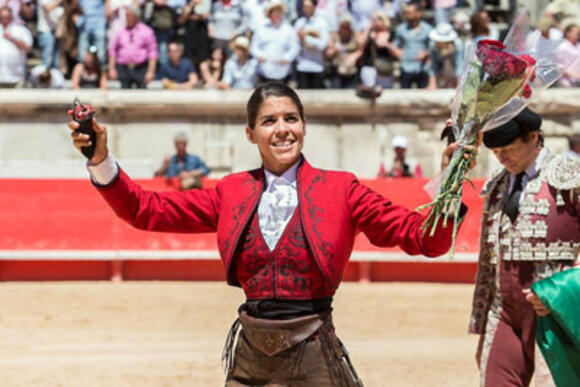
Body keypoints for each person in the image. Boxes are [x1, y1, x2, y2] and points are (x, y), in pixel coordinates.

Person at [67, 82, 478, 385]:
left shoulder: (342, 188)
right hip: (251, 363)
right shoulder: (231, 191)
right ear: (251, 134)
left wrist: (451, 180)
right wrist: (101, 160)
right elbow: (144, 210)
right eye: (269, 121)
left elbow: (424, 239)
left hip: (315, 353)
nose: (282, 129)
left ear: (304, 126)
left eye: (291, 119)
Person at [468, 108, 580, 386]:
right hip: (504, 310)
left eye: (508, 149)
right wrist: (482, 324)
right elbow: (488, 260)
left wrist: (564, 290)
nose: (503, 158)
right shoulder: (497, 184)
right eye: (495, 153)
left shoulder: (570, 175)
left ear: (534, 138)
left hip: (556, 311)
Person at [250, 0, 300, 84]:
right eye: (274, 12)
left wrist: (287, 58)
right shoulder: (261, 29)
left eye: (279, 12)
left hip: (282, 71)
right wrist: (259, 55)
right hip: (264, 70)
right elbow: (254, 47)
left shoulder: (289, 29)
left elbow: (295, 47)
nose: (277, 14)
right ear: (270, 14)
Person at [108, 5, 158, 89]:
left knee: (141, 95)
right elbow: (113, 51)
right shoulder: (120, 32)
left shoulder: (146, 31)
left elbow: (152, 53)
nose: (128, 18)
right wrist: (111, 68)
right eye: (126, 16)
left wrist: (151, 71)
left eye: (130, 16)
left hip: (141, 68)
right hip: (123, 68)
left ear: (136, 17)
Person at [392, 2, 432, 89]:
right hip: (406, 67)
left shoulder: (428, 29)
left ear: (418, 13)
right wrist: (395, 51)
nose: (406, 15)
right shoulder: (400, 29)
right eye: (405, 12)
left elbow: (433, 47)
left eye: (409, 13)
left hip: (422, 69)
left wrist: (426, 53)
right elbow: (395, 45)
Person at [293, 0, 329, 89]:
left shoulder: (322, 23)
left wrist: (305, 38)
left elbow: (323, 44)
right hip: (302, 66)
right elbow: (294, 44)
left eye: (309, 6)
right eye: (305, 6)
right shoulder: (299, 23)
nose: (306, 9)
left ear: (314, 6)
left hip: (317, 67)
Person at [325, 12, 361, 89]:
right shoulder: (334, 35)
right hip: (337, 71)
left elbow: (361, 50)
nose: (345, 29)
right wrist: (334, 50)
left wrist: (354, 56)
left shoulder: (355, 35)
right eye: (343, 26)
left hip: (351, 71)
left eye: (347, 26)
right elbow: (328, 53)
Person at [0, 6, 32, 88]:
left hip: (16, 78)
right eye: (2, 17)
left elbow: (27, 47)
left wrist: (11, 38)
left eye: (7, 17)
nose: (4, 20)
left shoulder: (21, 29)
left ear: (11, 17)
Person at [427, 22, 463, 89]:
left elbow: (459, 65)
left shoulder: (458, 44)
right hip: (441, 71)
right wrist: (432, 83)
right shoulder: (432, 45)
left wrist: (459, 84)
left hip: (454, 70)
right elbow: (433, 65)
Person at [77, 0, 107, 67]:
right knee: (82, 53)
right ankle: (82, 72)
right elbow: (75, 6)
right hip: (84, 24)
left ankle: (101, 72)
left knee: (101, 53)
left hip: (99, 23)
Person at [37, 0, 64, 69]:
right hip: (45, 31)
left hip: (56, 31)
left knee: (56, 62)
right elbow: (48, 7)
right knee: (47, 62)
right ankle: (45, 78)